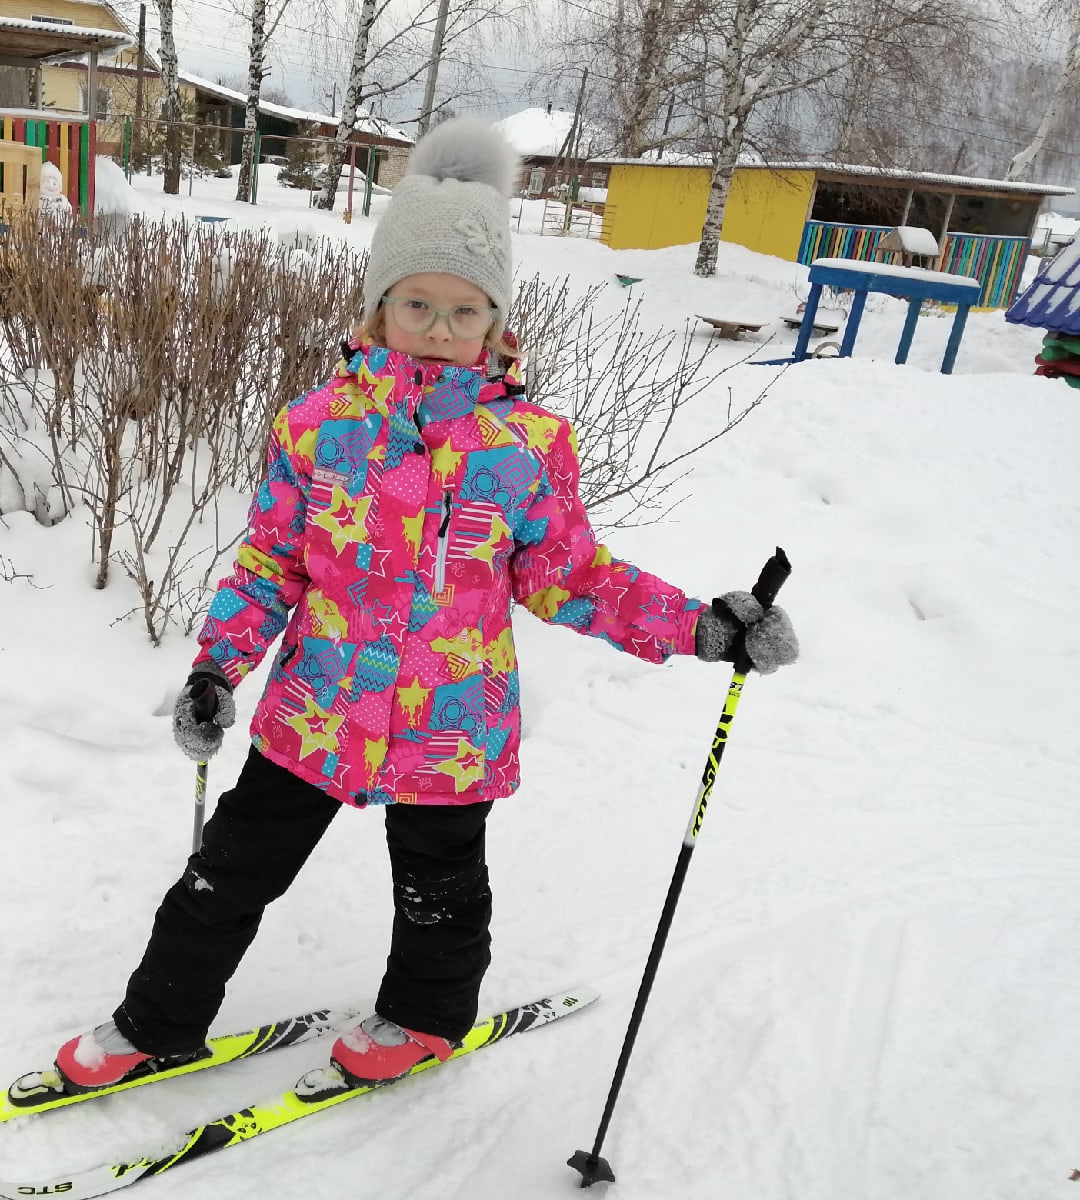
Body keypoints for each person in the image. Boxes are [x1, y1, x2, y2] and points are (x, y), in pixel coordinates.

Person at [53, 117, 798, 1089]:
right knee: (225, 872)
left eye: (463, 309)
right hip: (317, 708)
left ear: (496, 320)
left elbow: (569, 575)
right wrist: (215, 669)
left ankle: (423, 1018)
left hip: (453, 723)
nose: (439, 330)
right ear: (377, 309)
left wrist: (700, 625)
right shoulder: (318, 427)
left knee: (440, 889)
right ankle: (156, 1020)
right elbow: (271, 562)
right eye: (416, 304)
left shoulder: (527, 446)